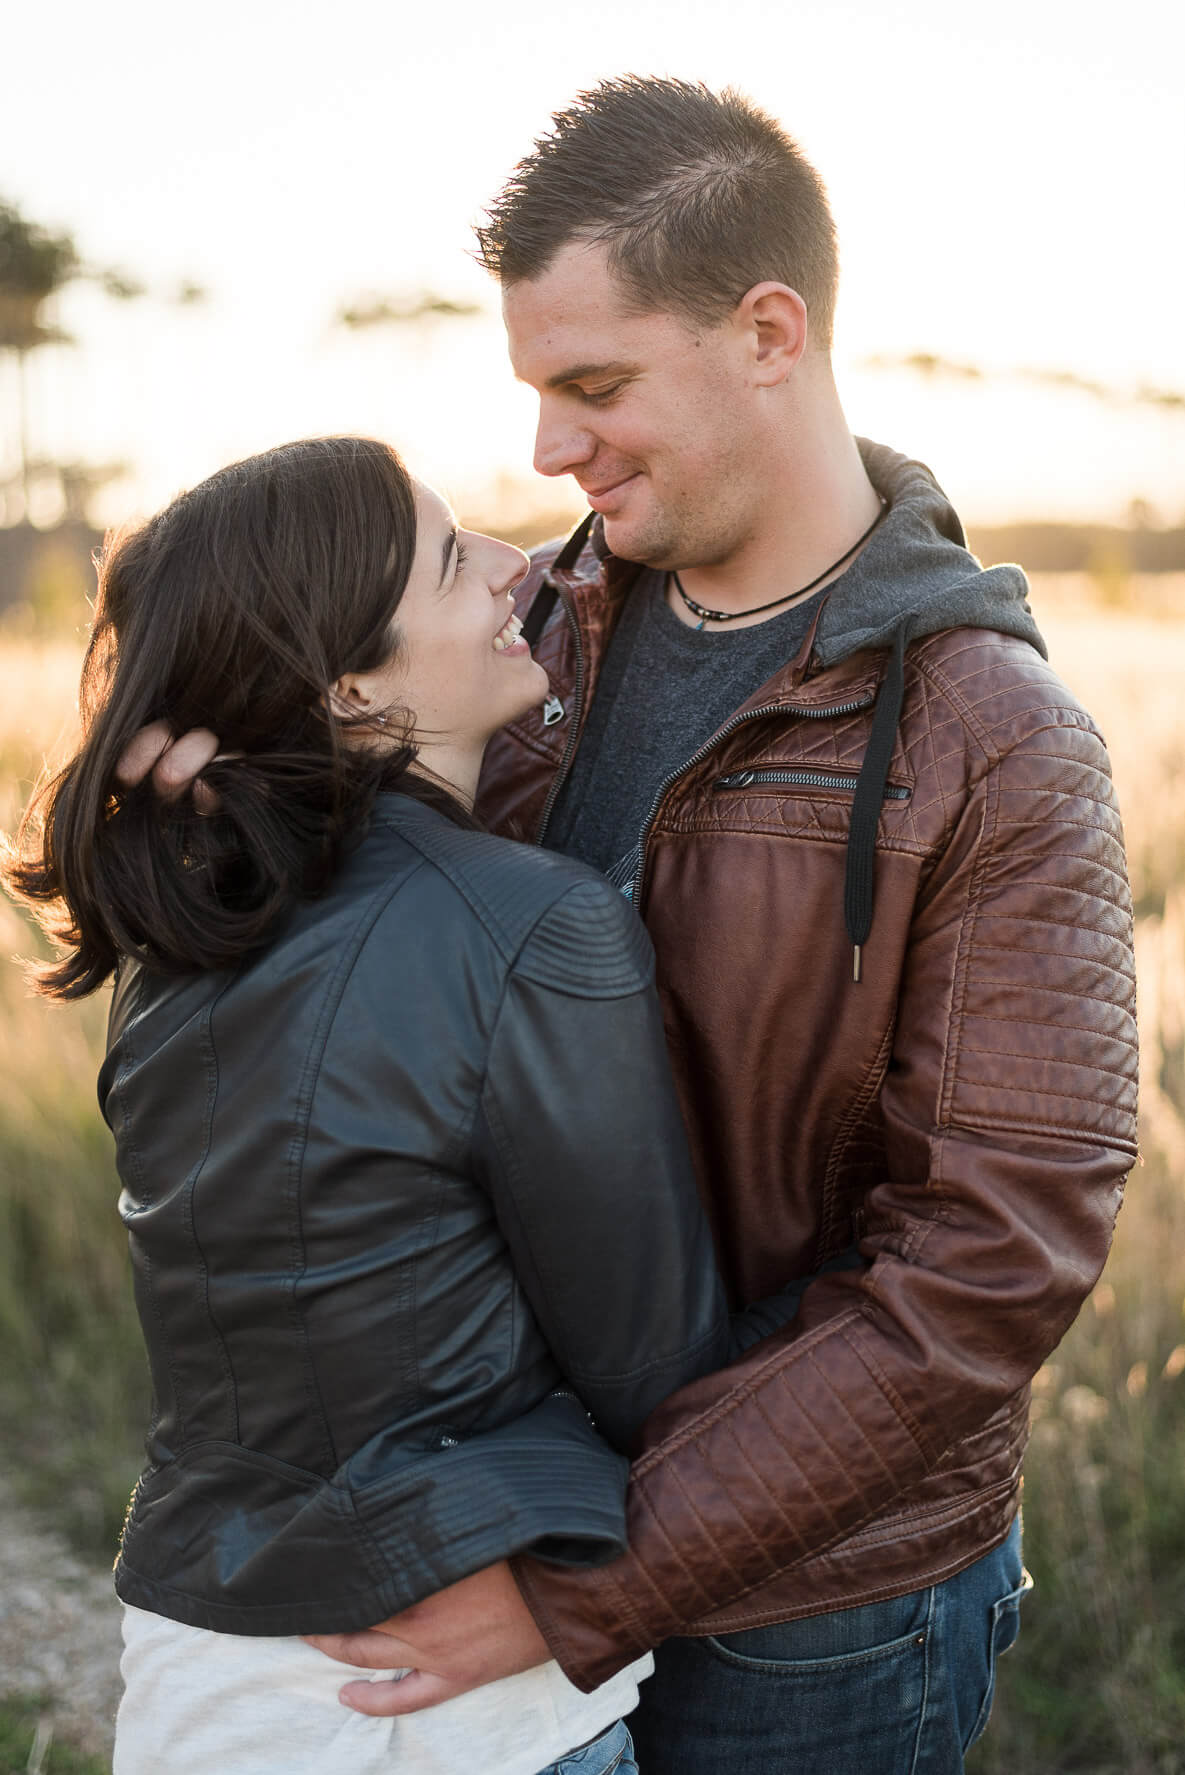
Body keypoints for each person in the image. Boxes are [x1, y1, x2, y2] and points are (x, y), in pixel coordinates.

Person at [290, 78, 1140, 1771]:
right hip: (491, 1512)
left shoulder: (998, 743)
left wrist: (600, 1570)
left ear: (769, 332)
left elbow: (986, 1265)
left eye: (595, 386)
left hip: (822, 1615)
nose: (548, 449)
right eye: (535, 392)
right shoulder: (500, 632)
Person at [6, 434, 809, 1775]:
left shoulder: (183, 941)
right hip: (441, 1712)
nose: (512, 566)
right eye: (449, 556)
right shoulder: (529, 926)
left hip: (200, 1689)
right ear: (350, 681)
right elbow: (654, 1375)